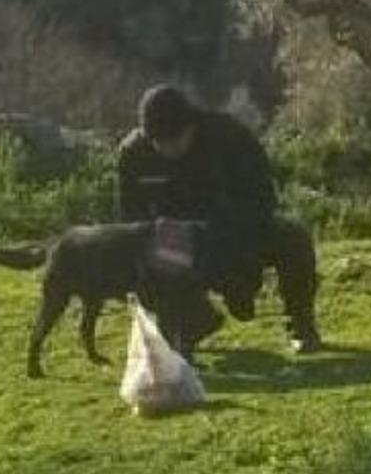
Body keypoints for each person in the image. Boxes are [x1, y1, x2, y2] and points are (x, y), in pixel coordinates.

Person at [116, 83, 322, 354]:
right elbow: (131, 222)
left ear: (191, 126)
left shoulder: (229, 137)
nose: (169, 149)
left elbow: (262, 198)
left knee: (292, 237)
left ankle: (301, 326)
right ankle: (192, 323)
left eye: (176, 140)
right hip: (174, 244)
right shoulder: (134, 155)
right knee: (141, 259)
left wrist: (235, 252)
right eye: (160, 143)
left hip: (233, 231)